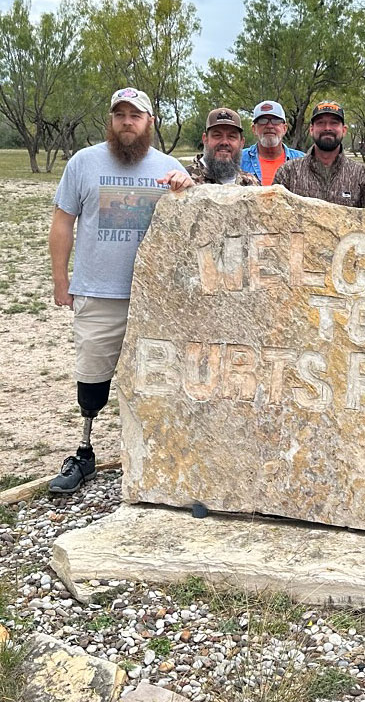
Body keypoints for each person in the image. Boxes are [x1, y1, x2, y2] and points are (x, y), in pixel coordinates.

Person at [48, 87, 194, 494]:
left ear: (150, 122)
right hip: (98, 290)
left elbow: (190, 226)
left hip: (154, 299)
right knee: (92, 376)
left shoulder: (168, 168)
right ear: (110, 121)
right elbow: (63, 222)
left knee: (159, 378)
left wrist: (187, 187)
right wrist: (62, 280)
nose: (127, 122)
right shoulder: (83, 163)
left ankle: (160, 451)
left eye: (136, 115)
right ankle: (85, 449)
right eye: (120, 114)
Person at [273, 100, 365, 208]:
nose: (327, 128)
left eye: (334, 123)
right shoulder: (288, 172)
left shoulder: (363, 176)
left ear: (344, 130)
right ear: (311, 129)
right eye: (321, 123)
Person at [187, 108, 261, 185]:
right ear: (205, 139)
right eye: (217, 135)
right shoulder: (186, 180)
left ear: (242, 143)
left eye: (231, 136)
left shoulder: (251, 183)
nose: (224, 142)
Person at [240, 101, 305, 186]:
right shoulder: (238, 161)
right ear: (254, 129)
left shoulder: (303, 161)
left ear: (284, 128)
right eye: (262, 121)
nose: (269, 126)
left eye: (276, 121)